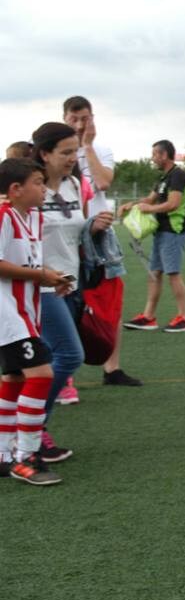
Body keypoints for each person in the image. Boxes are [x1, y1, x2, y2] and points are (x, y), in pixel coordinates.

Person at [31, 122, 114, 463]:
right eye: (64, 152)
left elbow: (74, 231)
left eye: (73, 152)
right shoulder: (28, 189)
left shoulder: (75, 185)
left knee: (40, 364)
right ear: (44, 154)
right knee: (69, 355)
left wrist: (92, 226)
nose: (70, 159)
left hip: (72, 283)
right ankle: (32, 429)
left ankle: (25, 431)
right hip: (40, 287)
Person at [0, 157, 71, 485]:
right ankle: (26, 456)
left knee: (14, 380)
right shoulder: (4, 216)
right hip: (8, 314)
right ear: (15, 190)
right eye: (38, 183)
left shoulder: (33, 220)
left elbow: (25, 269)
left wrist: (50, 278)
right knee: (42, 374)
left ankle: (3, 453)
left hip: (25, 313)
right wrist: (41, 274)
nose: (44, 189)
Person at [63, 96, 140, 387]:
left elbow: (104, 182)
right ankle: (64, 374)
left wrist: (87, 147)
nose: (81, 124)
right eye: (74, 118)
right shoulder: (53, 152)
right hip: (67, 235)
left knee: (111, 300)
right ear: (64, 118)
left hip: (101, 237)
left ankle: (112, 368)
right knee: (67, 300)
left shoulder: (101, 150)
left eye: (86, 118)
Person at [119, 140, 185, 332]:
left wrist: (150, 208)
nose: (152, 158)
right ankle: (148, 316)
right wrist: (132, 205)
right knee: (154, 274)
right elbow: (149, 199)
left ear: (164, 155)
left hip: (173, 231)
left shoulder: (178, 176)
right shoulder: (163, 178)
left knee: (173, 274)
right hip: (161, 231)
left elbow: (173, 204)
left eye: (155, 155)